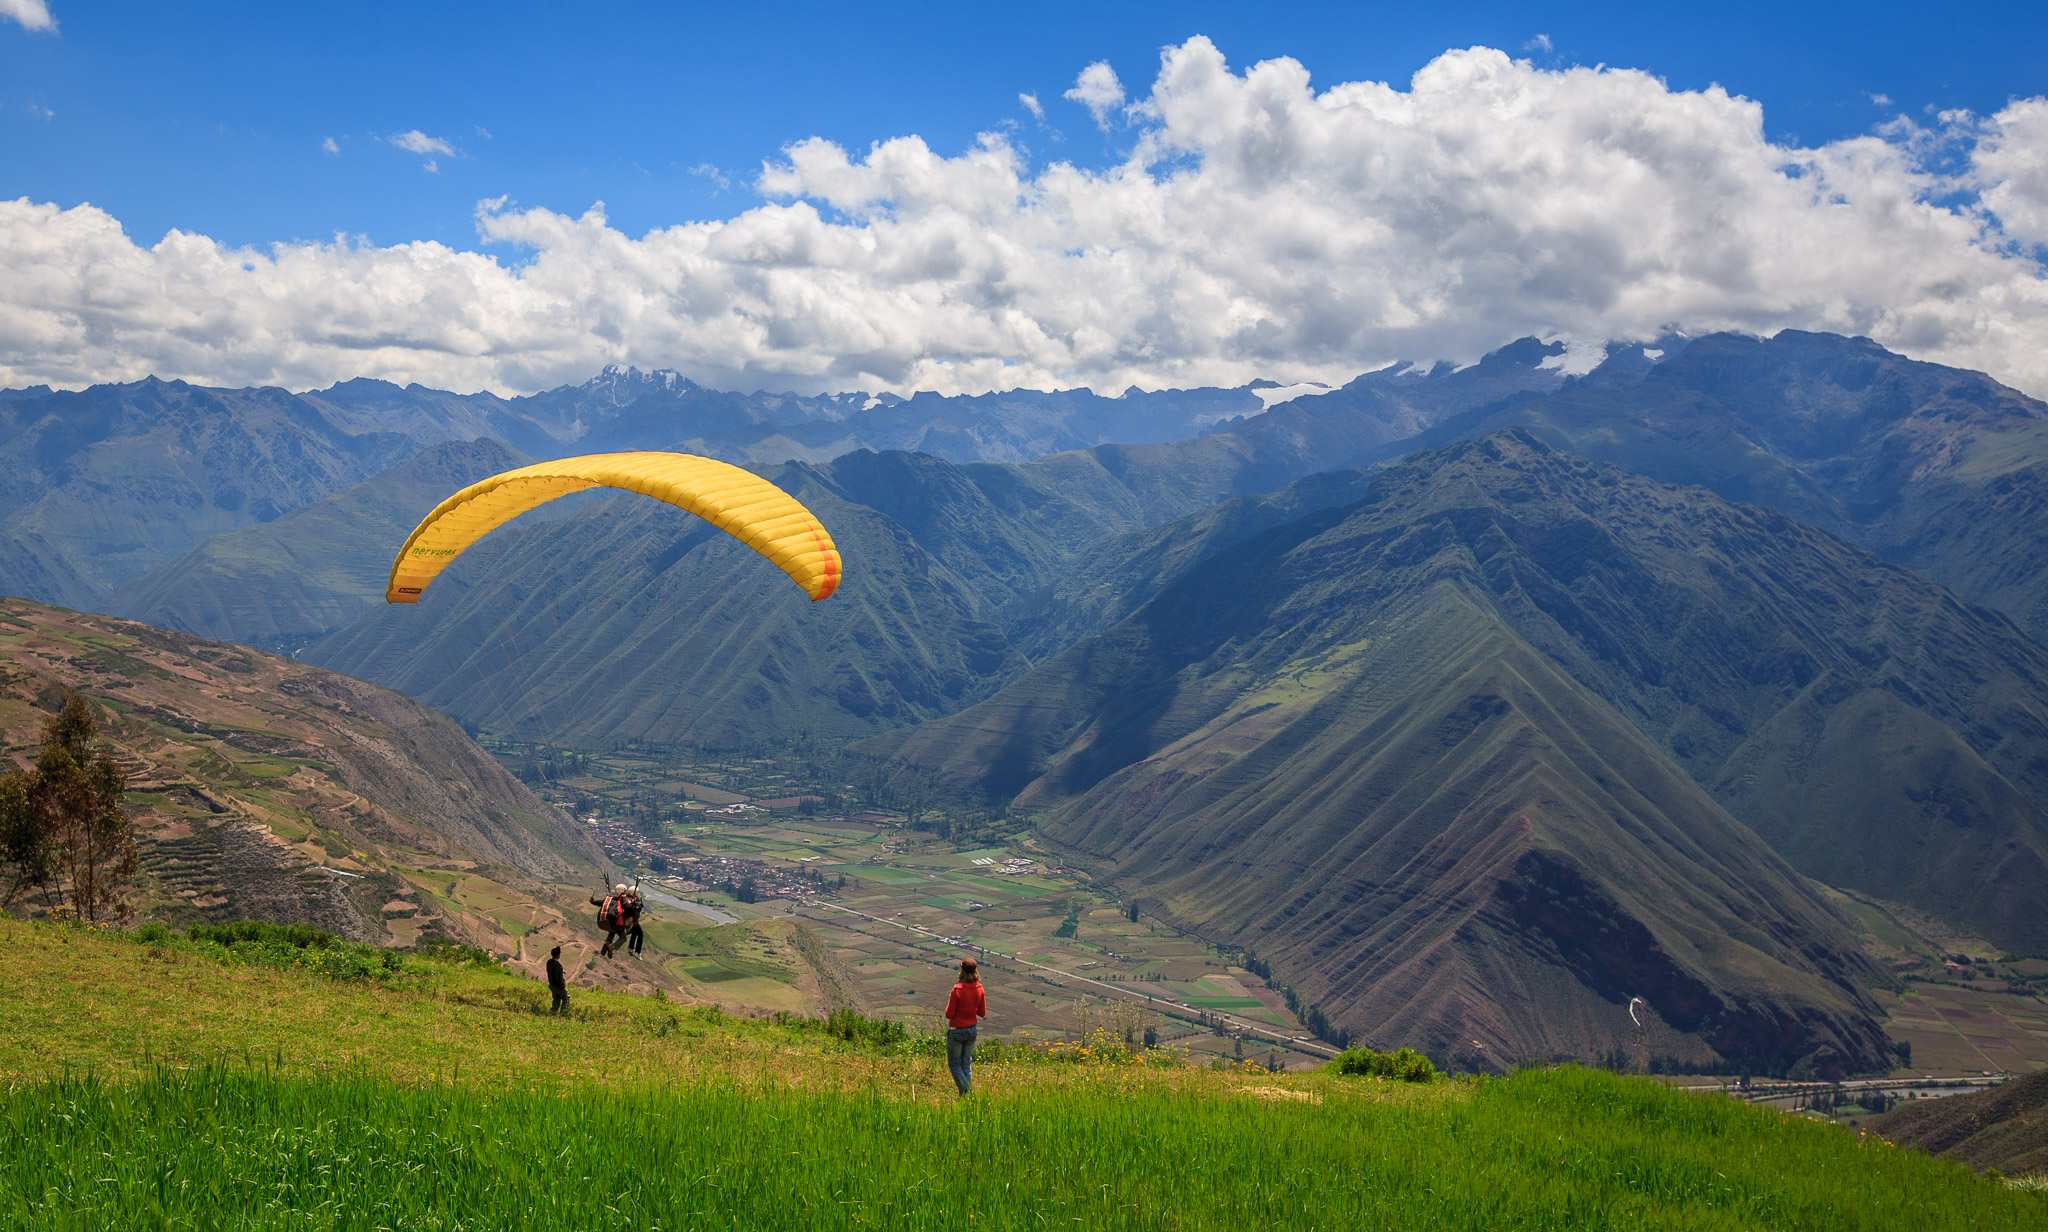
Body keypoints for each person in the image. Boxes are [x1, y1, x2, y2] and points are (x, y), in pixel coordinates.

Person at [943, 958, 987, 1095]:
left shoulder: (957, 990)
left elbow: (949, 1014)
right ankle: (966, 1094)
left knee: (954, 1065)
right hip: (972, 1030)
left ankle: (967, 1092)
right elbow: (982, 1013)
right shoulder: (980, 989)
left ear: (961, 970)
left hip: (957, 1030)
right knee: (966, 1064)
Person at [590, 883, 632, 958]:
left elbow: (600, 902)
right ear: (623, 891)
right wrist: (636, 905)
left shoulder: (609, 897)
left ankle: (607, 942)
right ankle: (612, 947)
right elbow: (628, 907)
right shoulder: (622, 898)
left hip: (609, 922)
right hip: (617, 923)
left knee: (612, 931)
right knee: (623, 937)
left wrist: (593, 901)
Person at [545, 945, 569, 1015]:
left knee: (556, 998)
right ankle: (564, 1013)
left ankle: (553, 1012)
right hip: (558, 985)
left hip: (552, 984)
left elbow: (553, 971)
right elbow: (559, 978)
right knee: (566, 997)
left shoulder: (549, 962)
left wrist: (561, 971)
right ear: (558, 955)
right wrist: (562, 987)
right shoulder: (558, 965)